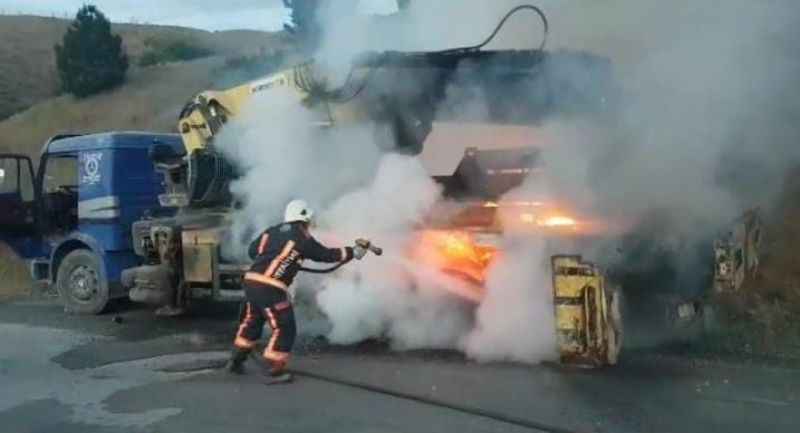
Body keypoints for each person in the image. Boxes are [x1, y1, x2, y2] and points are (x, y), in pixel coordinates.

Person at [226, 199, 368, 382]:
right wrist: (353, 252)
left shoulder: (272, 231)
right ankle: (274, 368)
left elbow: (253, 251)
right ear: (305, 217)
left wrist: (278, 259)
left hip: (252, 281)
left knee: (252, 321)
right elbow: (325, 255)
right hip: (270, 286)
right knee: (284, 326)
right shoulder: (301, 236)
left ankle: (235, 360)